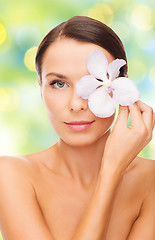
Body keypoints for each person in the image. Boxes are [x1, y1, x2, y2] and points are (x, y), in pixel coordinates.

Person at [0, 16, 155, 240]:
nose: (76, 104)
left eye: (93, 82)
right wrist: (111, 172)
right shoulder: (11, 174)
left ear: (121, 85)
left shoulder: (151, 181)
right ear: (41, 88)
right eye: (59, 84)